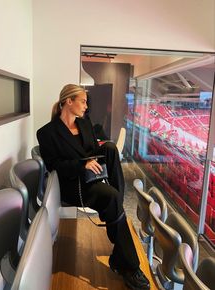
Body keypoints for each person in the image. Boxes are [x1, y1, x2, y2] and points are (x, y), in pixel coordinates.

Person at [37, 84, 150, 290]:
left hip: (92, 177)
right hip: (73, 185)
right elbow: (55, 166)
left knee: (110, 149)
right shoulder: (47, 133)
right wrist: (82, 164)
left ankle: (118, 206)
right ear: (68, 101)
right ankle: (129, 266)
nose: (86, 106)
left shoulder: (85, 124)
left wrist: (99, 152)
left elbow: (92, 150)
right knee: (110, 197)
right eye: (83, 101)